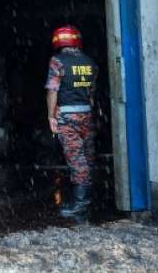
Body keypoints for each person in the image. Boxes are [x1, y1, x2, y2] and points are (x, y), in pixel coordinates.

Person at [45, 25, 98, 220]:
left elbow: (52, 90)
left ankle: (81, 204)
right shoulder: (89, 62)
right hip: (86, 114)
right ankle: (86, 199)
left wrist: (51, 116)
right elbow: (92, 92)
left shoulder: (57, 61)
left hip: (67, 117)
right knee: (87, 157)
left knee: (76, 159)